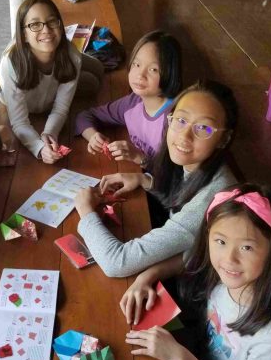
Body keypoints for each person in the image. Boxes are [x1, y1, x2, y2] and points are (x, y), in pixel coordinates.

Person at [123, 184, 271, 360]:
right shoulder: (225, 272)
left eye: (246, 247)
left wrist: (179, 357)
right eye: (220, 241)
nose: (229, 259)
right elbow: (187, 261)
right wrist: (145, 277)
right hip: (186, 355)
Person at [74, 79, 238, 277]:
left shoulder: (211, 197)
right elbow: (178, 201)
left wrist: (86, 211)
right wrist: (145, 180)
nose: (185, 136)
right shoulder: (199, 166)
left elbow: (116, 263)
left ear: (224, 139)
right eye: (181, 120)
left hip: (196, 287)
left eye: (203, 128)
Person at [0, 0, 104, 163]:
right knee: (91, 82)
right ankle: (76, 68)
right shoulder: (10, 63)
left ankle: (80, 59)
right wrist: (39, 147)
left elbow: (61, 109)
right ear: (23, 33)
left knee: (98, 71)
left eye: (52, 21)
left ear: (61, 25)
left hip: (61, 60)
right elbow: (19, 122)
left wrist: (50, 133)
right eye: (35, 24)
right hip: (28, 103)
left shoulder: (71, 57)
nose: (45, 29)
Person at [75, 30, 182, 171]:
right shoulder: (133, 102)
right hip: (136, 177)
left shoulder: (175, 120)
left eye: (153, 70)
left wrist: (140, 158)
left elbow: (178, 180)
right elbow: (86, 115)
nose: (140, 75)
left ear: (171, 73)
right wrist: (93, 136)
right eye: (137, 65)